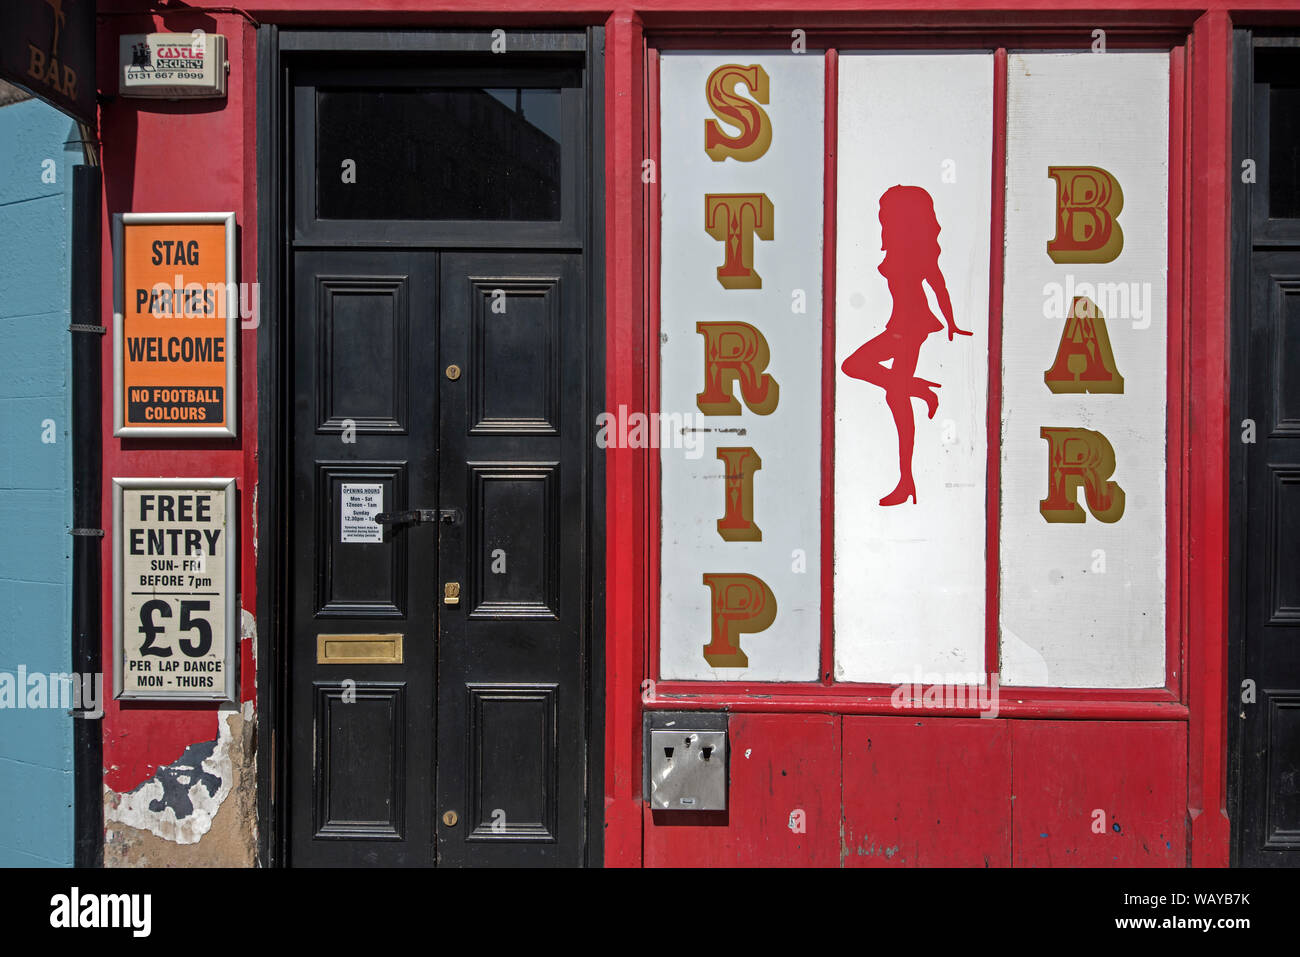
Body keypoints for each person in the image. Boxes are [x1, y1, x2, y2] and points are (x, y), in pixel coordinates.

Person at [841, 185, 972, 506]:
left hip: (911, 328)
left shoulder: (919, 252)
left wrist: (952, 322)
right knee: (863, 371)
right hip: (901, 326)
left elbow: (939, 286)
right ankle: (918, 389)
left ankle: (906, 481)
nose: (882, 222)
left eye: (885, 216)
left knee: (892, 395)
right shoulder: (901, 250)